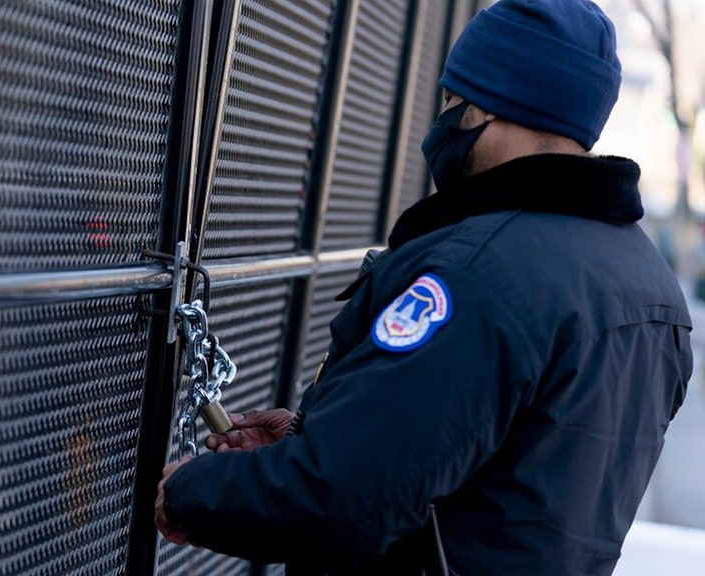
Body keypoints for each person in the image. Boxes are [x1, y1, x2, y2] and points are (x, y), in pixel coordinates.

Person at [155, 0, 693, 574]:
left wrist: (197, 490)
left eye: (450, 101)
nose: (442, 122)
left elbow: (349, 497)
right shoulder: (653, 288)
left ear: (494, 101)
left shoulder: (480, 274)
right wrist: (312, 437)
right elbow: (504, 473)